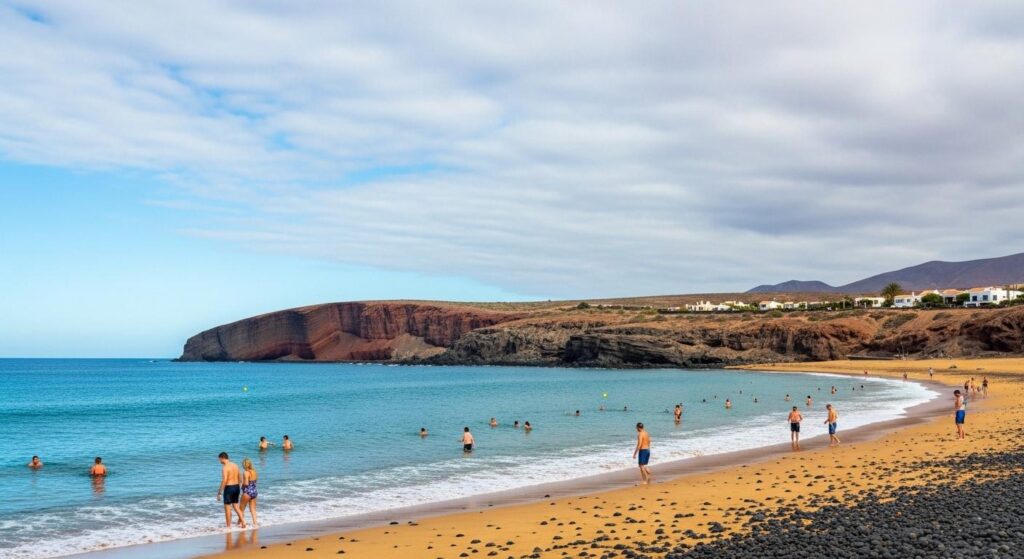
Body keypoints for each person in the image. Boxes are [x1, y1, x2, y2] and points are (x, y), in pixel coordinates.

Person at [217, 452, 246, 529]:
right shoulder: (235, 465)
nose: (219, 461)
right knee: (236, 506)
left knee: (227, 508)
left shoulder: (225, 467)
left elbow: (224, 480)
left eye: (219, 459)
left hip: (229, 488)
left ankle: (228, 527)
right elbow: (240, 477)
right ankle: (243, 521)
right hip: (236, 487)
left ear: (222, 458)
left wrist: (219, 492)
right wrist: (239, 486)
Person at [240, 458, 259, 527]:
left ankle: (242, 523)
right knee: (253, 509)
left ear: (244, 465)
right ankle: (255, 524)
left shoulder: (245, 472)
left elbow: (246, 483)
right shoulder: (254, 471)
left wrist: (241, 484)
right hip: (254, 491)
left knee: (241, 509)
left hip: (247, 492)